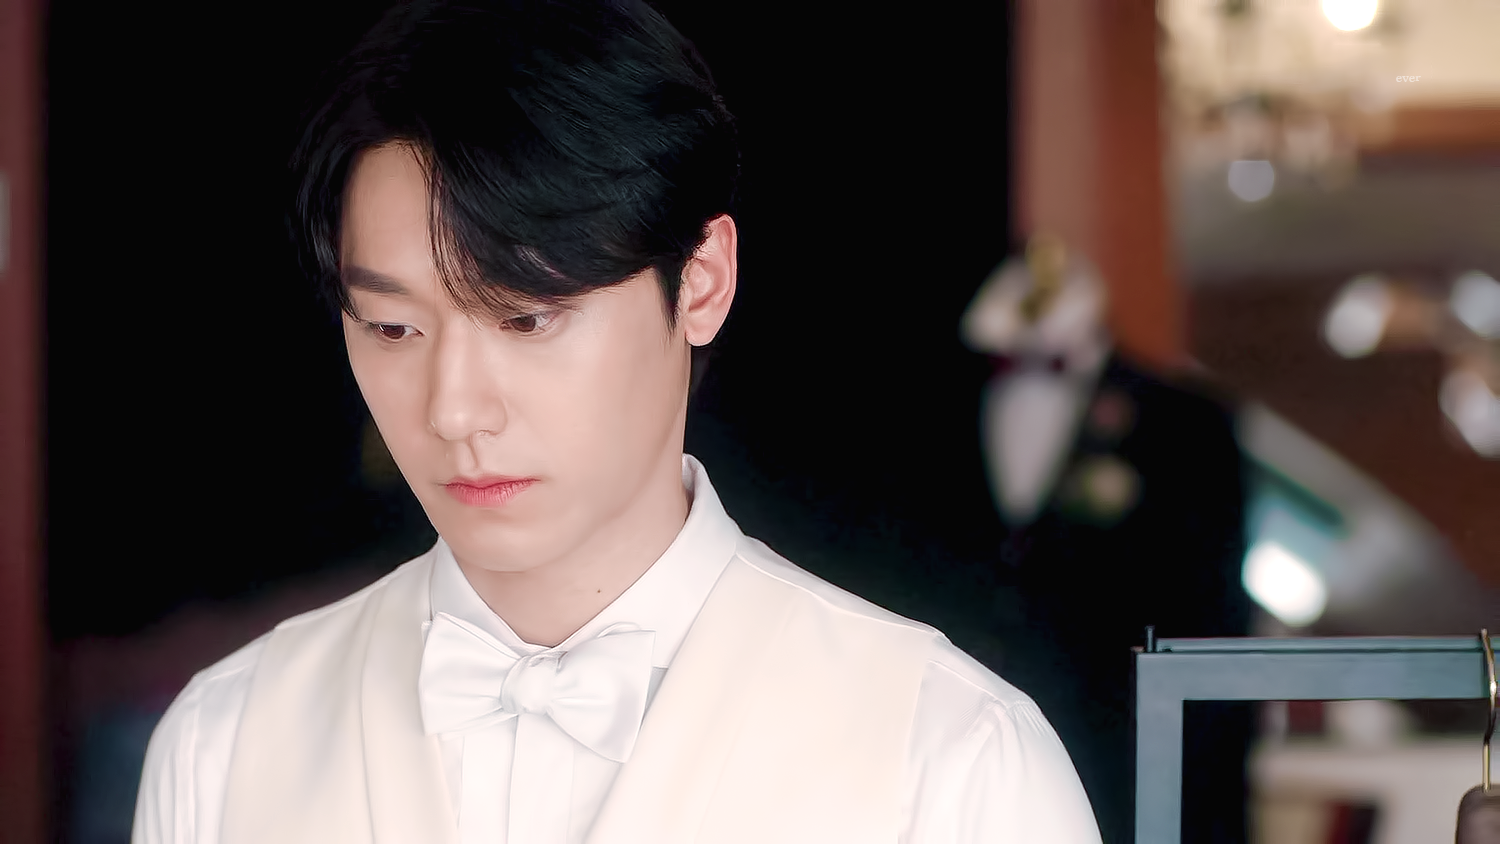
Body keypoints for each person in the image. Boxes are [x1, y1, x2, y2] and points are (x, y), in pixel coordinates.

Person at [131, 2, 1102, 842]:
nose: (453, 409)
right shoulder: (226, 742)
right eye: (392, 327)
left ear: (702, 283)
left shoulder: (950, 757)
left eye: (526, 318)